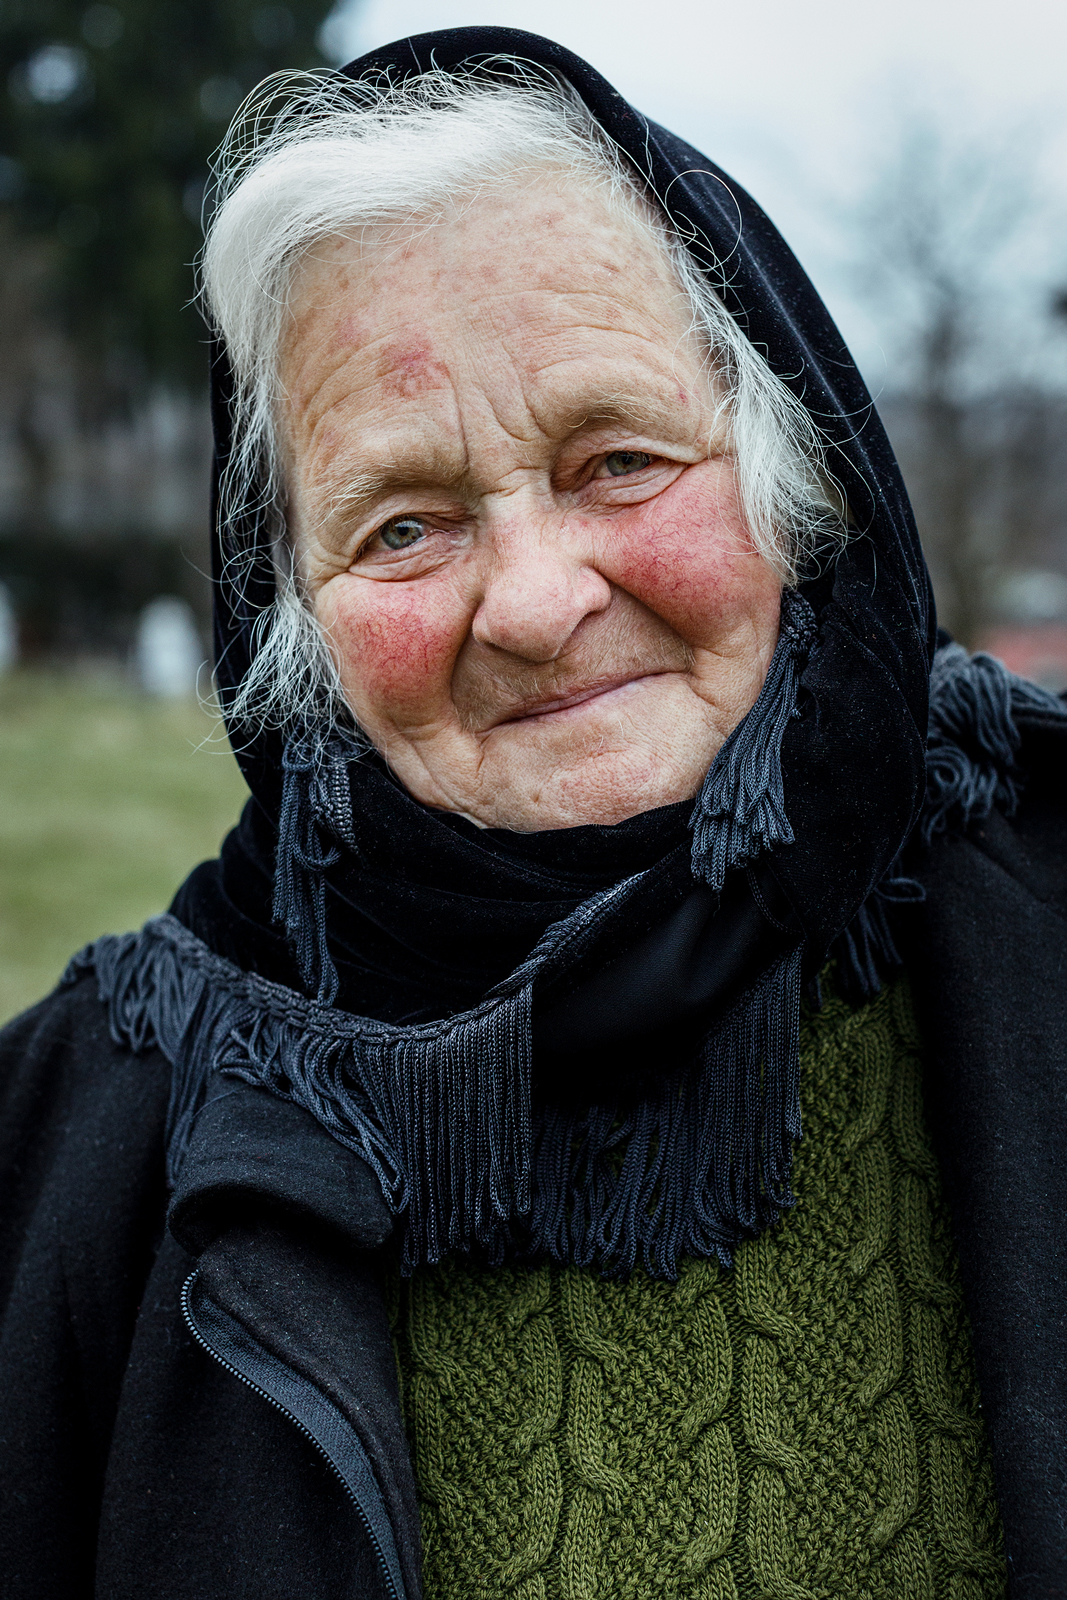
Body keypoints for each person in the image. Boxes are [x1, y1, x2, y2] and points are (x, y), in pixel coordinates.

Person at [1, 27, 1064, 1600]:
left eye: (619, 460)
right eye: (407, 523)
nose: (538, 602)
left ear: (792, 482)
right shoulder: (65, 1154)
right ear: (287, 621)